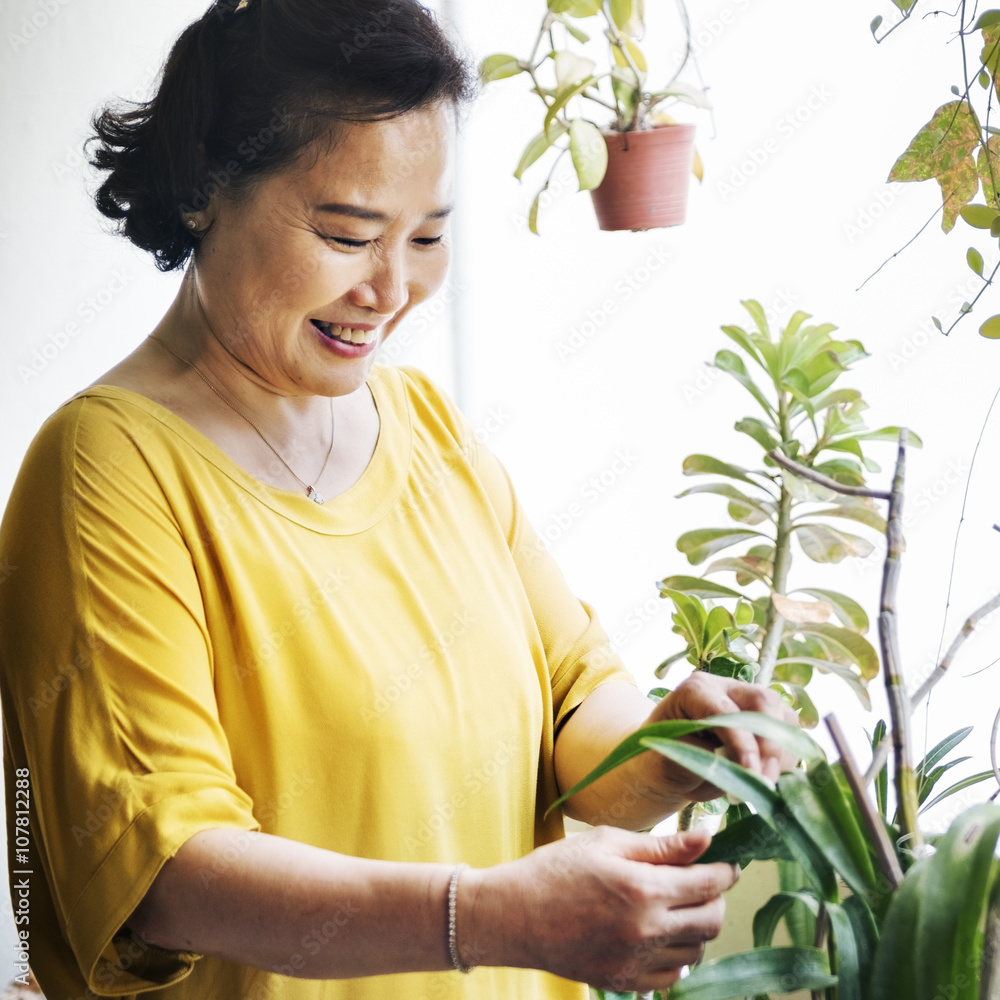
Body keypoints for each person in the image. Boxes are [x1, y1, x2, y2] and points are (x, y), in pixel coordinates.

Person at [0, 1, 797, 998]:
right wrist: (494, 914)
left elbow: (574, 705)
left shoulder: (424, 426)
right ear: (205, 189)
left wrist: (676, 745)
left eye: (425, 236)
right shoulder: (104, 469)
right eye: (346, 233)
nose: (392, 287)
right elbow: (165, 869)